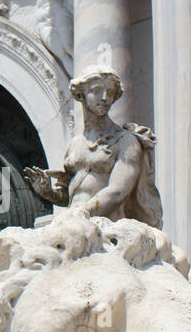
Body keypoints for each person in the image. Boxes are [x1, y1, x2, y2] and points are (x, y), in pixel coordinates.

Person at [24, 67, 161, 225]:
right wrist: (48, 193)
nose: (105, 98)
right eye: (97, 90)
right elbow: (70, 193)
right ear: (81, 94)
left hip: (106, 227)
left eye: (110, 92)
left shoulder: (126, 141)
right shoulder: (75, 144)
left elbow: (118, 191)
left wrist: (83, 212)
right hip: (75, 222)